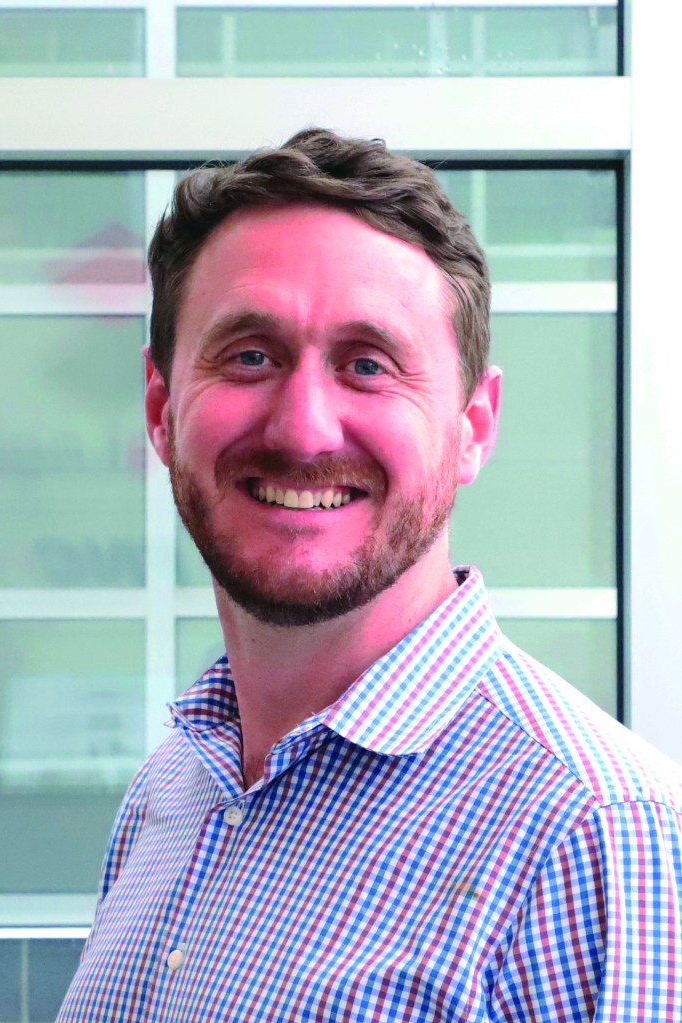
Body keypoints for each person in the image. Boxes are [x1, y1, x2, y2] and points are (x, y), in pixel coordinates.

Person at [58, 129, 682, 1022]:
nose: (303, 428)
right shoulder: (172, 793)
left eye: (367, 365)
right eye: (249, 355)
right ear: (161, 409)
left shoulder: (592, 832)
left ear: (472, 426)